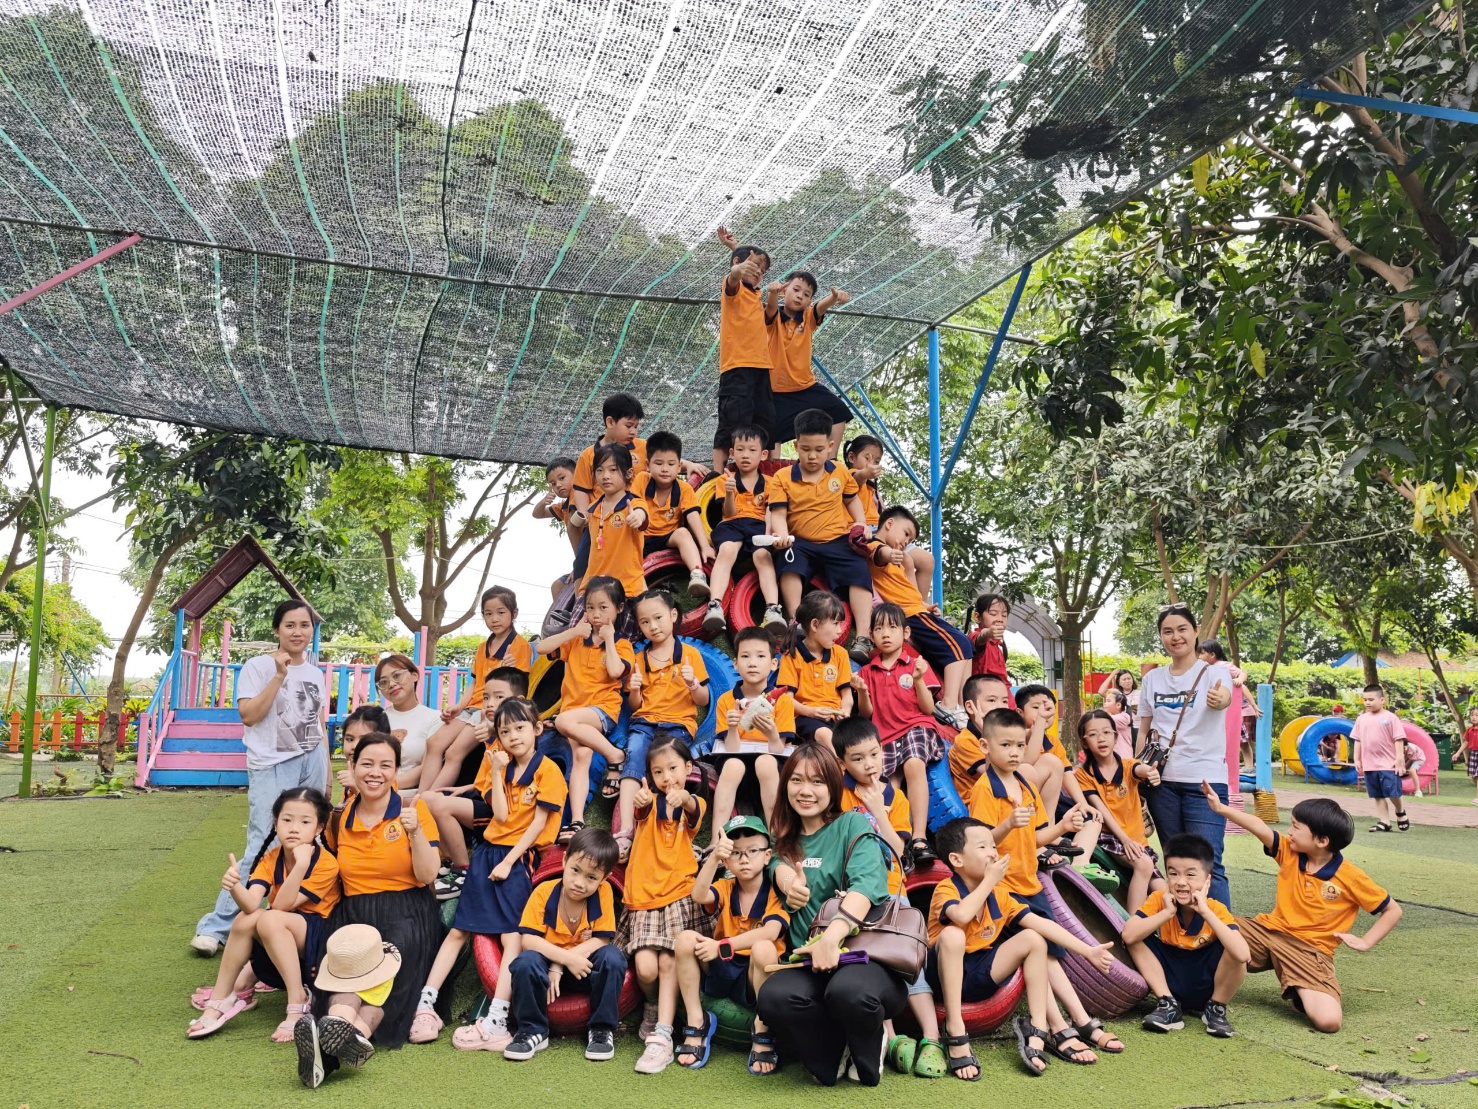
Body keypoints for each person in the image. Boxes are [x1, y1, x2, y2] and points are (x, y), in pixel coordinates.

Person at [966, 708, 1116, 1063]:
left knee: (1048, 954)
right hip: (1003, 889)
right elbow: (980, 845)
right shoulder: (984, 790)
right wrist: (1006, 825)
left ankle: (1074, 1022)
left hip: (1030, 882)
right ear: (986, 746)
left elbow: (1033, 838)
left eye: (1020, 745)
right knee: (1041, 952)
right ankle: (1067, 1025)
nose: (1015, 752)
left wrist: (1062, 827)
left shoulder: (1025, 784)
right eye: (1006, 745)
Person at [418, 698, 567, 1049]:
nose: (513, 736)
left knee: (512, 937)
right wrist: (497, 772)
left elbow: (538, 826)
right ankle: (425, 1005)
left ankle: (498, 1018)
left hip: (519, 857)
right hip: (488, 852)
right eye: (505, 731)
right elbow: (499, 815)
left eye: (520, 728)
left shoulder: (548, 771)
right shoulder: (499, 765)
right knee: (459, 931)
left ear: (537, 728)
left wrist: (509, 861)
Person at [755, 742, 906, 1086]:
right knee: (773, 998)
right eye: (796, 780)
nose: (805, 791)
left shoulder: (852, 824)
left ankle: (870, 1043)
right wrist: (789, 883)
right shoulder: (782, 840)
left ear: (833, 786)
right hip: (807, 963)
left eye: (817, 781)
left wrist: (831, 937)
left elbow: (866, 886)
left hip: (861, 958)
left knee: (847, 993)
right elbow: (780, 867)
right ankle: (832, 1049)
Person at [928, 817, 1122, 1079]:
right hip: (942, 977)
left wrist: (1088, 951)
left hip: (980, 974)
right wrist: (989, 882)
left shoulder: (999, 894)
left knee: (1033, 938)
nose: (993, 853)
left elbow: (1041, 924)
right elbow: (961, 916)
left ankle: (1038, 1029)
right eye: (982, 847)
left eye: (993, 846)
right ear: (957, 859)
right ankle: (955, 1029)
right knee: (953, 935)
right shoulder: (946, 888)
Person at [194, 599, 330, 955]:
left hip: (312, 759)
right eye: (290, 625)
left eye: (304, 625)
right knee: (265, 841)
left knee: (308, 838)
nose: (298, 632)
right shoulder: (257, 666)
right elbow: (249, 715)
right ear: (277, 630)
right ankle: (216, 927)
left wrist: (327, 773)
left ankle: (285, 919)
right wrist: (279, 676)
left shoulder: (315, 673)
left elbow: (318, 725)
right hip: (271, 763)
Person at [1205, 788, 1402, 1033]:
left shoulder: (1350, 876)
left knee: (1329, 1022)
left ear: (1322, 841)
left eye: (1296, 827)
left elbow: (1392, 910)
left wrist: (1366, 941)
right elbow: (1259, 826)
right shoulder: (1289, 851)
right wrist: (1221, 809)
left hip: (1309, 950)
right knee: (1210, 922)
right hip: (1265, 932)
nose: (1289, 831)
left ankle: (1302, 989)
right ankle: (1192, 986)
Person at [830, 718, 945, 1079]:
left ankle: (932, 1038)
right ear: (842, 762)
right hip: (851, 896)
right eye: (858, 758)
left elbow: (901, 854)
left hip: (893, 893)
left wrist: (878, 811)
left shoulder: (895, 797)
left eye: (874, 754)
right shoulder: (837, 793)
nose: (869, 764)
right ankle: (891, 1038)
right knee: (870, 965)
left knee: (909, 963)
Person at [320, 733, 444, 1050]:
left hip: (407, 911)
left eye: (386, 765)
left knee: (386, 977)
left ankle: (347, 1038)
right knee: (349, 969)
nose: (375, 773)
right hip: (354, 914)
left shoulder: (413, 810)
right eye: (367, 764)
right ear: (352, 766)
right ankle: (341, 1033)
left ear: (396, 771)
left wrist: (414, 832)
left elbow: (428, 874)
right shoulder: (339, 817)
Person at [188, 788, 338, 1042]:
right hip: (279, 930)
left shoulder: (326, 863)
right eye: (287, 820)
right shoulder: (271, 857)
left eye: (305, 822)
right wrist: (234, 886)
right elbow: (250, 904)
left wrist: (301, 865)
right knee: (245, 919)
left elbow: (283, 905)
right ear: (276, 823)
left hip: (319, 938)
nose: (294, 828)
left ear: (319, 828)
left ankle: (298, 1000)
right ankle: (220, 999)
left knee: (270, 917)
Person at [675, 814, 788, 1072]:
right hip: (723, 965)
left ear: (767, 856)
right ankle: (697, 1020)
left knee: (764, 948)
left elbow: (771, 932)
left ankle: (762, 1027)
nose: (744, 858)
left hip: (754, 973)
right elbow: (699, 895)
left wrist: (722, 946)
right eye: (736, 853)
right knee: (685, 939)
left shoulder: (774, 891)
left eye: (752, 851)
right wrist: (714, 856)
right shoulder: (727, 887)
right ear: (727, 860)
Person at [1138, 604, 1234, 906]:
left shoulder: (1214, 673)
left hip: (1205, 783)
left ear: (1195, 632)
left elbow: (1224, 697)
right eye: (1168, 631)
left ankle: (1221, 931)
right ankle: (1181, 928)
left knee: (1208, 864)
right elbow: (1144, 730)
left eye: (1182, 629)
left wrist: (1219, 699)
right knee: (1176, 864)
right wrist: (1137, 769)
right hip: (1161, 784)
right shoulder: (1152, 679)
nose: (1175, 636)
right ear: (1161, 637)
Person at [624, 736, 708, 1074]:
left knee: (669, 962)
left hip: (677, 893)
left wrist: (683, 796)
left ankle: (663, 1033)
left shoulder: (693, 802)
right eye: (658, 771)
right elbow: (641, 807)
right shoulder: (648, 801)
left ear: (688, 767)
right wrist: (642, 797)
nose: (666, 777)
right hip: (643, 897)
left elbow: (691, 805)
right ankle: (653, 1003)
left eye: (673, 768)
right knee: (646, 969)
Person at [505, 826, 626, 1062]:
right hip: (545, 975)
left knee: (612, 957)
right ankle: (531, 1030)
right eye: (575, 870)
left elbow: (601, 939)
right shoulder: (544, 892)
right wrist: (562, 960)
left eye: (591, 877)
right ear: (564, 860)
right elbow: (528, 940)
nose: (579, 882)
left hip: (582, 971)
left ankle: (601, 1030)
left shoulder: (603, 893)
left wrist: (562, 964)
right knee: (525, 962)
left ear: (605, 878)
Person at [768, 409, 876, 661]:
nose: (812, 455)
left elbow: (851, 500)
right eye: (806, 449)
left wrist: (861, 523)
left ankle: (863, 637)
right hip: (801, 541)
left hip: (837, 540)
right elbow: (778, 514)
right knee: (788, 561)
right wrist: (782, 535)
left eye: (818, 449)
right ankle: (796, 622)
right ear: (796, 446)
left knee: (859, 570)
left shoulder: (839, 471)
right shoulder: (783, 477)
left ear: (829, 446)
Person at [536, 576, 637, 842]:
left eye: (603, 607)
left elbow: (615, 671)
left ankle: (616, 756)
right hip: (574, 711)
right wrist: (573, 632)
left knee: (563, 722)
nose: (596, 614)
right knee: (581, 757)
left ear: (619, 608)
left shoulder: (623, 645)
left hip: (601, 711)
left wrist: (610, 640)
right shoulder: (576, 641)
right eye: (591, 607)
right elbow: (542, 648)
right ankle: (577, 821)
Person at [1122, 833, 1249, 1038]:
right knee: (1137, 937)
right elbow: (1128, 935)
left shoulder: (1215, 908)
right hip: (1169, 978)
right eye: (1173, 874)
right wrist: (1167, 913)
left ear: (1207, 880)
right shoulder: (1159, 899)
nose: (1181, 882)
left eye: (1190, 875)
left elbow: (1243, 955)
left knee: (1232, 946)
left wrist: (1205, 912)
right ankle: (1168, 1005)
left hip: (1207, 983)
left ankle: (1216, 1009)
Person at [851, 603, 947, 864]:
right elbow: (867, 714)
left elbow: (928, 709)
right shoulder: (867, 671)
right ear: (871, 635)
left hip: (916, 727)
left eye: (892, 627)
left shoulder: (916, 664)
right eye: (879, 628)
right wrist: (861, 691)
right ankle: (892, 842)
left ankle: (919, 837)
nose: (885, 633)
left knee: (914, 763)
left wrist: (918, 679)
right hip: (884, 736)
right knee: (886, 784)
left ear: (905, 633)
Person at [618, 590, 710, 856]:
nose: (653, 626)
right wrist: (635, 690)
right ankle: (625, 831)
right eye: (645, 622)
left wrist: (692, 683)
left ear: (673, 615)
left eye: (658, 618)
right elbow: (635, 706)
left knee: (671, 768)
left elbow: (703, 700)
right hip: (645, 722)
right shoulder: (639, 659)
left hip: (678, 724)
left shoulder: (690, 654)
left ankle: (680, 834)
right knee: (634, 756)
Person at [423, 667, 527, 901]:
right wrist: (468, 787)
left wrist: (495, 733)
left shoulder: (518, 736)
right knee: (427, 798)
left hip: (503, 814)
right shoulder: (491, 733)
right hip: (483, 798)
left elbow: (513, 770)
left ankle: (462, 870)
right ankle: (448, 860)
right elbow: (488, 775)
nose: (490, 703)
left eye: (499, 697)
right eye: (486, 697)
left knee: (439, 805)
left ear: (519, 701)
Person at [865, 507, 973, 727]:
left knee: (966, 647)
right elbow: (878, 553)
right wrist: (893, 554)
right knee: (959, 644)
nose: (906, 542)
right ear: (889, 524)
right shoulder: (876, 548)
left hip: (918, 610)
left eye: (910, 540)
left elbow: (910, 592)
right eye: (906, 534)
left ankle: (962, 706)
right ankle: (948, 704)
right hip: (910, 614)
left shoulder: (900, 563)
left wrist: (926, 605)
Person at [419, 586, 533, 793]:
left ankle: (428, 799)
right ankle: (421, 794)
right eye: (488, 614)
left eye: (501, 612)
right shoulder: (482, 647)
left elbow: (519, 685)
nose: (494, 619)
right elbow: (474, 682)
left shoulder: (520, 645)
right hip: (471, 707)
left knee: (454, 753)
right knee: (434, 743)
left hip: (491, 709)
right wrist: (458, 706)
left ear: (514, 613)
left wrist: (511, 667)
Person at [1074, 709, 1164, 906]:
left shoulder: (1128, 766)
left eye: (1106, 732)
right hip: (1111, 836)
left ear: (1115, 737)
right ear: (1084, 742)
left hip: (1138, 840)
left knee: (1165, 893)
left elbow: (1140, 769)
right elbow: (1101, 810)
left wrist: (1150, 773)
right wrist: (1125, 840)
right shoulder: (1083, 775)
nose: (1101, 739)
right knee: (1144, 864)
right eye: (1093, 734)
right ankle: (1133, 923)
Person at [709, 626, 796, 829]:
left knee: (766, 762)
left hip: (772, 768)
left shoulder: (782, 701)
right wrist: (732, 728)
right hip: (735, 767)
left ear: (773, 664)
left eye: (760, 656)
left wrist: (772, 734)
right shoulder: (726, 701)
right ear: (736, 663)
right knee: (733, 765)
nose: (752, 663)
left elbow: (779, 749)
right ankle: (716, 838)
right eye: (745, 656)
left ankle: (777, 836)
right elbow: (730, 749)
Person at [701, 425, 785, 634]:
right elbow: (728, 513)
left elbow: (771, 511)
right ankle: (715, 605)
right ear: (732, 452)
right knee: (727, 550)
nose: (745, 455)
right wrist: (729, 492)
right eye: (740, 449)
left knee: (763, 556)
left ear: (763, 454)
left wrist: (769, 533)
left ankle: (773, 609)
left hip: (758, 526)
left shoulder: (771, 483)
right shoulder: (725, 479)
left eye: (752, 450)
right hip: (732, 523)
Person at [293, 924, 400, 1088]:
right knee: (361, 1005)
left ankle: (327, 1052)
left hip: (353, 1001)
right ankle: (339, 1039)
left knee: (358, 1003)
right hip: (366, 1010)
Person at [713, 228, 777, 470]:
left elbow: (743, 260)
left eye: (763, 270)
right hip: (737, 367)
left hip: (761, 368)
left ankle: (764, 473)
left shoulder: (756, 294)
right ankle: (717, 473)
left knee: (764, 420)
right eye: (756, 266)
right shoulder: (734, 289)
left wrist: (735, 248)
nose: (759, 271)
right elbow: (734, 277)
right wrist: (737, 267)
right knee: (732, 421)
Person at [767, 270, 851, 452]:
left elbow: (820, 307)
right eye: (796, 290)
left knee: (839, 409)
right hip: (775, 390)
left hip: (804, 386)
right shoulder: (773, 319)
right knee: (772, 432)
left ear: (809, 301)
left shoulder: (808, 318)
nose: (800, 296)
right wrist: (772, 293)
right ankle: (773, 468)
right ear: (784, 291)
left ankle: (831, 459)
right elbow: (771, 310)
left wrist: (834, 297)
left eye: (806, 295)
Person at [635, 431, 713, 599]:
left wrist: (705, 546)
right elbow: (634, 504)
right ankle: (641, 594)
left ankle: (697, 574)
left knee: (682, 533)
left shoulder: (684, 489)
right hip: (641, 539)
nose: (665, 469)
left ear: (679, 467)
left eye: (671, 464)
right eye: (658, 463)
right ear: (648, 465)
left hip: (668, 538)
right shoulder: (641, 480)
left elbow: (693, 515)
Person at [776, 589, 853, 748]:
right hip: (804, 718)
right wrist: (811, 711)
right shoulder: (791, 655)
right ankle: (839, 764)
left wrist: (845, 712)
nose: (840, 630)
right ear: (815, 625)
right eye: (835, 624)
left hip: (835, 719)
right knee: (825, 735)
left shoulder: (841, 654)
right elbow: (787, 699)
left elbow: (847, 695)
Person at [578, 443, 649, 601]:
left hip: (628, 590)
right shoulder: (592, 510)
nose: (605, 476)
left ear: (629, 473)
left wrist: (638, 517)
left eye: (613, 470)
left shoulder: (635, 503)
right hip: (593, 590)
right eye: (599, 470)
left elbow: (641, 513)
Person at [369, 654, 442, 795]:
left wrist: (383, 785)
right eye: (383, 682)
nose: (391, 684)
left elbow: (426, 768)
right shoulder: (378, 718)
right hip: (373, 792)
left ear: (415, 676)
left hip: (411, 796)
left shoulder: (434, 718)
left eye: (397, 676)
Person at [1352, 683, 1410, 832]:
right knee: (1377, 794)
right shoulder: (1361, 719)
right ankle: (1384, 822)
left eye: (1371, 699)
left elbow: (1398, 738)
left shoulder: (1391, 718)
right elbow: (1357, 740)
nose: (1367, 703)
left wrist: (1399, 758)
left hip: (1388, 764)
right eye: (1365, 700)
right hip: (1369, 764)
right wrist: (1356, 758)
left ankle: (1400, 811)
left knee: (1393, 792)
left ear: (1382, 700)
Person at [947, 673, 1011, 805]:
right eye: (992, 700)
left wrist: (1040, 721)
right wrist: (986, 732)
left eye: (1004, 701)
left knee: (1048, 762)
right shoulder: (965, 741)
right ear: (970, 707)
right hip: (979, 803)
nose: (1000, 707)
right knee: (1026, 771)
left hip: (1005, 795)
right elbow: (994, 775)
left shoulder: (1005, 734)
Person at [335, 705, 391, 802]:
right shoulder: (352, 774)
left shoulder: (381, 777)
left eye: (363, 740)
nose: (354, 746)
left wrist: (356, 788)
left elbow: (379, 808)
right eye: (350, 739)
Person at [970, 593, 1010, 682]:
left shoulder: (998, 646)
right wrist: (987, 633)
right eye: (993, 614)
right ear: (977, 617)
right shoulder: (974, 636)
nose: (1000, 619)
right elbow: (981, 637)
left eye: (1004, 615)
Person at [1464, 706, 1478, 803]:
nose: (1474, 717)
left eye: (1477, 715)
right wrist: (1457, 753)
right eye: (1472, 715)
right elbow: (1466, 742)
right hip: (1473, 754)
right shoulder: (1469, 730)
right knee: (1474, 777)